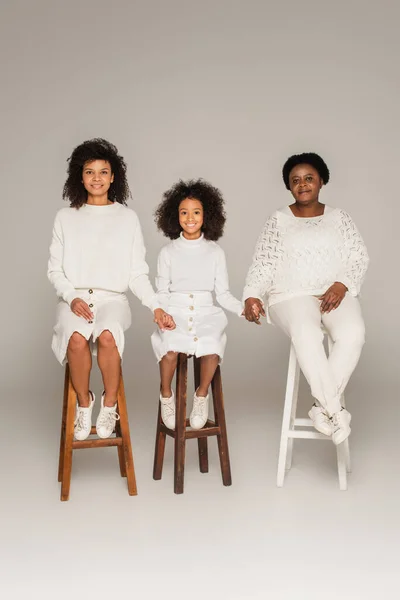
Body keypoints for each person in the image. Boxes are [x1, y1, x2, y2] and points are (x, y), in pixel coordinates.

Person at [48, 138, 174, 441]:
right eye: (89, 172)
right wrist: (71, 297)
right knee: (76, 339)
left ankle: (109, 403)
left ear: (113, 176)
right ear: (80, 176)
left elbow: (137, 272)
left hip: (112, 299)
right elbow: (55, 270)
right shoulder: (65, 217)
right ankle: (83, 403)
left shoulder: (127, 218)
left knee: (107, 336)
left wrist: (155, 305)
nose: (96, 178)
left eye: (103, 172)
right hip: (74, 297)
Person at [243, 152, 369, 445]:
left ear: (322, 181)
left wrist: (342, 283)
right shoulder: (278, 220)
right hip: (291, 294)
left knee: (354, 333)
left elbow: (358, 257)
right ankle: (335, 411)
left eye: (309, 178)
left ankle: (320, 409)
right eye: (295, 180)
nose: (303, 185)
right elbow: (263, 263)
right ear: (289, 187)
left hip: (333, 293)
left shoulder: (340, 218)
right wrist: (251, 295)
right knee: (306, 332)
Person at [151, 179, 242, 430]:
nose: (190, 218)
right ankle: (167, 394)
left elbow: (223, 294)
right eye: (184, 212)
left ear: (207, 215)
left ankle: (201, 395)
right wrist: (163, 314)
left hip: (206, 312)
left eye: (196, 212)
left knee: (212, 345)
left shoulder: (215, 252)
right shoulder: (167, 252)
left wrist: (243, 309)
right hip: (175, 311)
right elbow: (162, 291)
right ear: (174, 216)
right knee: (169, 346)